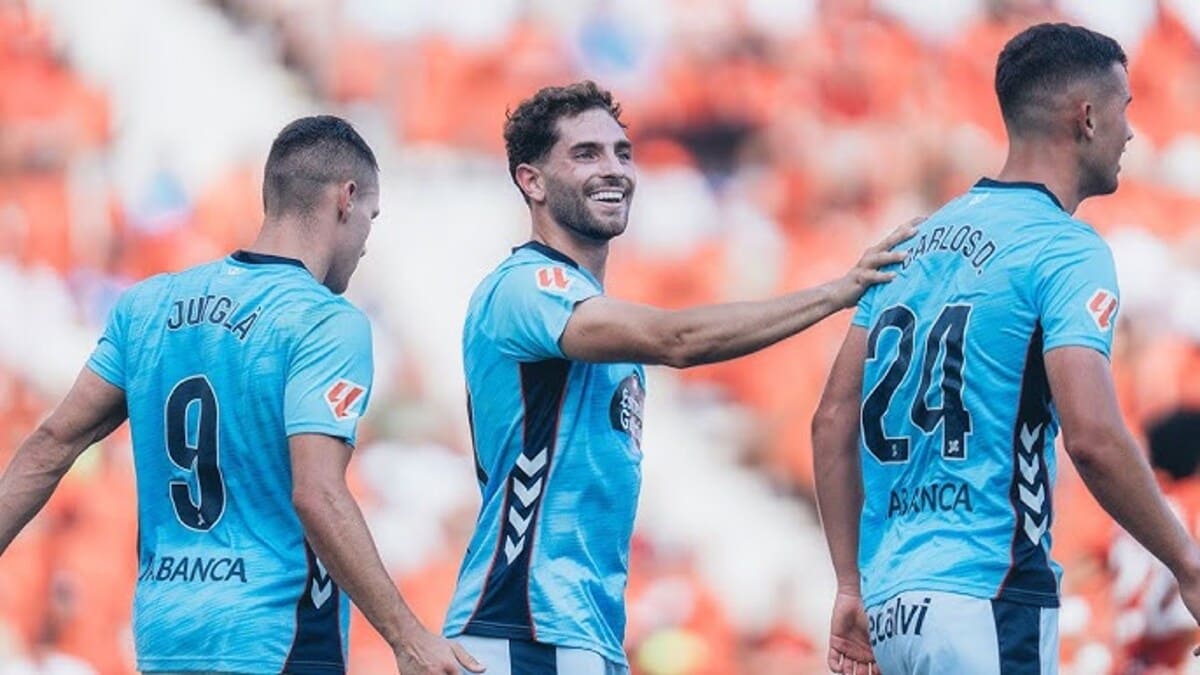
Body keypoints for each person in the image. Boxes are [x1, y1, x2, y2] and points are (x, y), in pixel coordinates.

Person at [441, 80, 915, 674]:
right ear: (531, 180)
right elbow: (678, 339)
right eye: (586, 153)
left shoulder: (591, 308)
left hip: (581, 632)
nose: (613, 169)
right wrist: (837, 292)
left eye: (622, 152)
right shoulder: (525, 287)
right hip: (520, 627)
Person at [0, 116, 482, 675]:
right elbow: (318, 495)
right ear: (345, 200)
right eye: (372, 220)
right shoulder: (324, 321)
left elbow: (51, 443)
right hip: (272, 633)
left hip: (165, 631)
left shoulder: (149, 306)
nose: (367, 245)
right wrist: (407, 636)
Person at [812, 22, 1200, 675]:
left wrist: (849, 583)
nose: (1132, 131)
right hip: (990, 594)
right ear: (1087, 117)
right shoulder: (1065, 249)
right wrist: (1187, 562)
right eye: (1124, 109)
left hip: (889, 605)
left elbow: (830, 419)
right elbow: (1094, 438)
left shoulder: (912, 242)